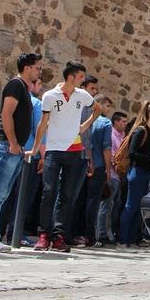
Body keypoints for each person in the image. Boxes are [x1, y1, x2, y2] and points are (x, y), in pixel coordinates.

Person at [31, 61, 101, 252]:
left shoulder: (82, 95)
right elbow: (43, 124)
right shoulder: (50, 96)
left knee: (67, 196)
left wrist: (84, 126)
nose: (82, 80)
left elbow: (98, 109)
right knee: (48, 192)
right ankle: (44, 234)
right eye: (80, 77)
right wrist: (36, 149)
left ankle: (59, 235)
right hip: (54, 150)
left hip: (75, 150)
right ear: (71, 77)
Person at [0, 52, 43, 253]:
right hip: (6, 146)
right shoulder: (16, 85)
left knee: (3, 194)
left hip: (14, 148)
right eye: (37, 67)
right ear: (27, 68)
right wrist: (14, 143)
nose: (39, 71)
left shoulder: (24, 89)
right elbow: (6, 114)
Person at [119, 102, 150, 247]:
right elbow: (132, 153)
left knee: (139, 208)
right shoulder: (140, 131)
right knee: (131, 206)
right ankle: (123, 239)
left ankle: (132, 239)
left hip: (147, 172)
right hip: (137, 172)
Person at [68, 74, 99, 247]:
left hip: (83, 155)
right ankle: (65, 232)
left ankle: (70, 232)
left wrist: (90, 159)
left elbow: (88, 138)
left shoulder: (88, 107)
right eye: (92, 89)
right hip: (74, 153)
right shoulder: (80, 106)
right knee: (69, 196)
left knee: (76, 197)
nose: (94, 92)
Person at [84, 94, 113, 247]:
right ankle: (90, 235)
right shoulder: (105, 123)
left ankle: (79, 233)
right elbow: (106, 148)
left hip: (84, 163)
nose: (108, 109)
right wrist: (109, 169)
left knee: (82, 200)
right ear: (99, 104)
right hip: (99, 166)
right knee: (93, 201)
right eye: (107, 105)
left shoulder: (85, 120)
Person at [97, 109, 127, 245]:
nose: (125, 124)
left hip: (118, 176)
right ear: (116, 122)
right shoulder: (112, 135)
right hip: (112, 174)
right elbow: (112, 155)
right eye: (123, 121)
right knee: (106, 205)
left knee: (113, 205)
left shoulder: (122, 136)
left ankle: (108, 232)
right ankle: (102, 233)